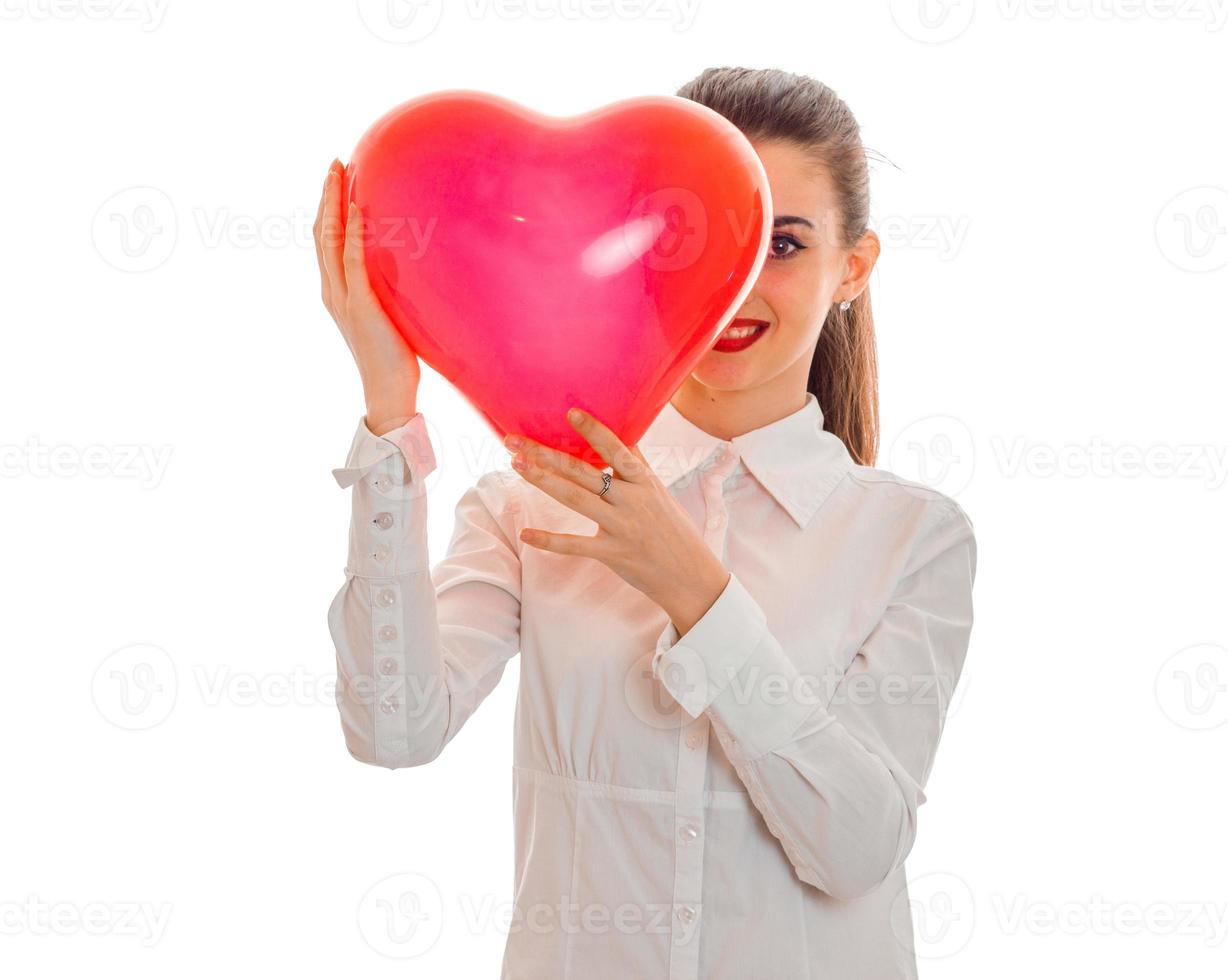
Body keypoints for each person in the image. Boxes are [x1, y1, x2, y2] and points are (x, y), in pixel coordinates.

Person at [315, 66, 977, 980]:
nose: (738, 282)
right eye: (690, 237)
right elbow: (392, 731)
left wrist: (695, 592)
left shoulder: (913, 537)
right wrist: (390, 413)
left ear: (851, 269)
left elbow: (858, 847)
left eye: (781, 244)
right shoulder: (533, 500)